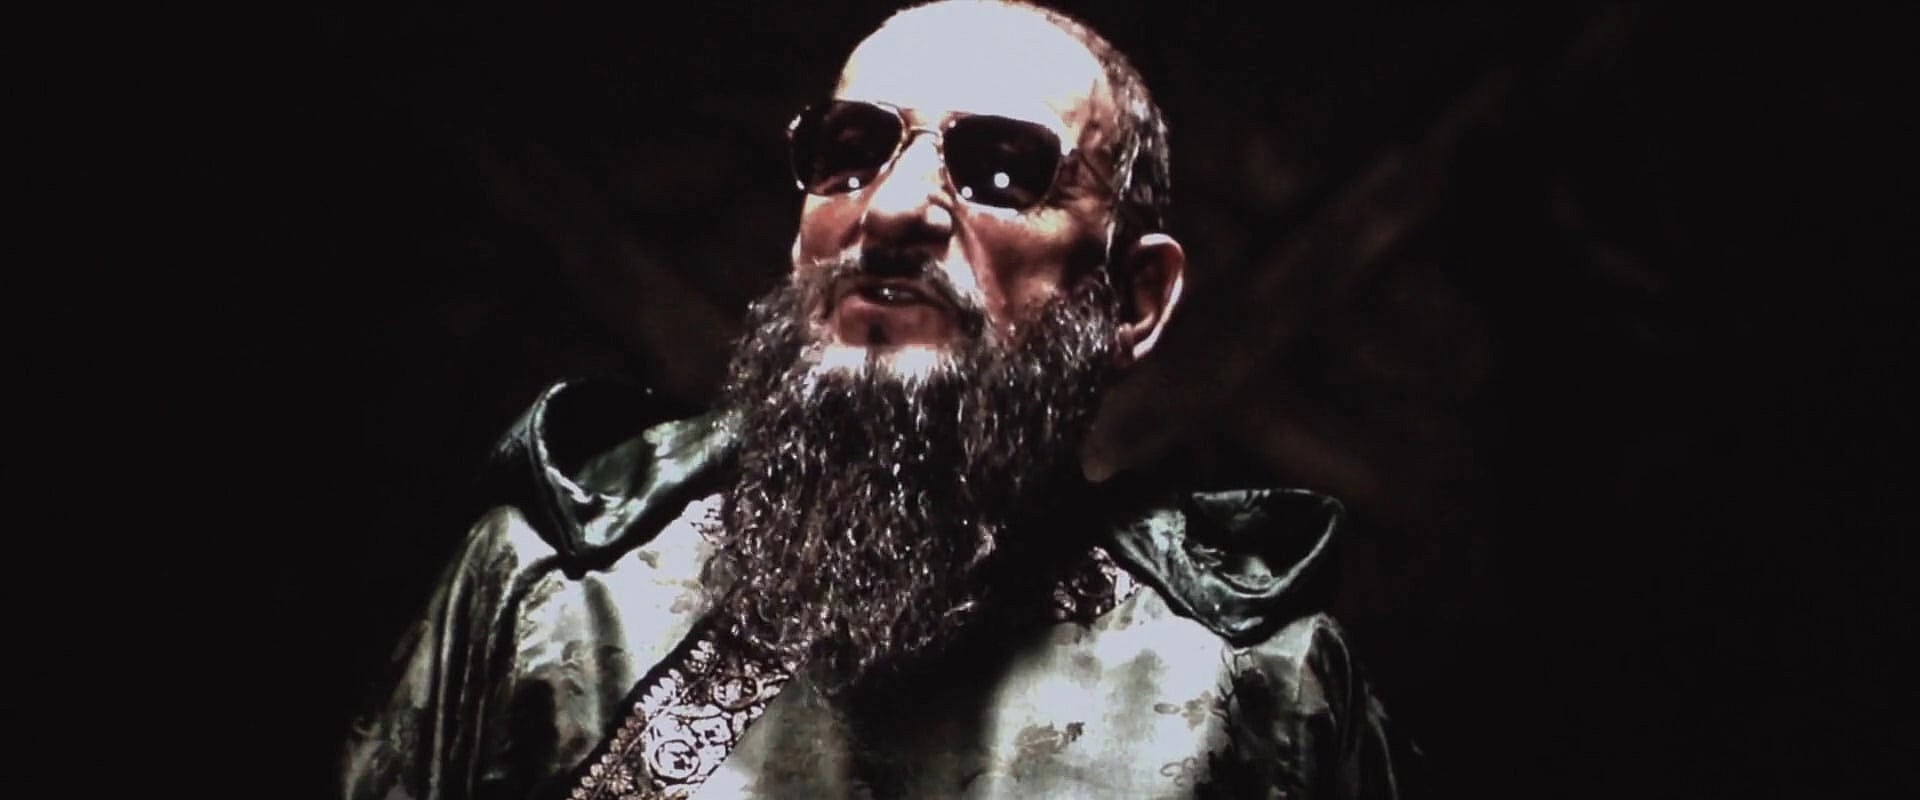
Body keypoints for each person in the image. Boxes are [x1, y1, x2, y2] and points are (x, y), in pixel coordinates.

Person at [340, 1, 1412, 797]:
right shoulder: (557, 590)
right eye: (850, 154)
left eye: (1002, 170)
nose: (893, 208)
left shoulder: (1256, 690)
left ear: (1132, 299)